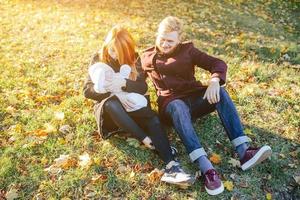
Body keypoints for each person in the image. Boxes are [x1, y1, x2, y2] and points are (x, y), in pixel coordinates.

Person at [141, 16, 272, 196]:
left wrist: (214, 80)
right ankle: (206, 168)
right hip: (170, 105)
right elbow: (133, 81)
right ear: (157, 35)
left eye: (170, 41)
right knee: (178, 106)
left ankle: (244, 152)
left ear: (179, 39)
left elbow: (217, 63)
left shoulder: (188, 50)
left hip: (194, 99)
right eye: (162, 39)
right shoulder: (146, 57)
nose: (164, 44)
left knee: (221, 93)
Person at [83, 25, 194, 186]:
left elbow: (142, 87)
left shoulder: (135, 58)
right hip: (111, 112)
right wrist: (113, 92)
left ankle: (172, 167)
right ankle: (147, 140)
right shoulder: (99, 57)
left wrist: (124, 83)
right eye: (112, 50)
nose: (114, 55)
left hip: (132, 104)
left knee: (154, 119)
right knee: (112, 104)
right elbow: (87, 91)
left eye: (119, 53)